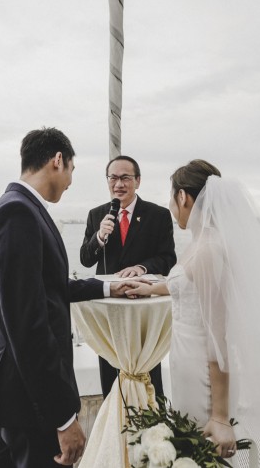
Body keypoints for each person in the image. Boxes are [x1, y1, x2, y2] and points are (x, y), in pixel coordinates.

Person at [0, 128, 139, 468]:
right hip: (27, 399)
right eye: (72, 171)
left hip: (13, 389)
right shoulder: (18, 214)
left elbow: (48, 288)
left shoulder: (16, 208)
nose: (71, 182)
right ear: (57, 160)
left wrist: (107, 287)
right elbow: (28, 325)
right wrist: (62, 418)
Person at [126, 160, 260, 459]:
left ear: (183, 197)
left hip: (202, 371)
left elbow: (219, 340)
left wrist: (221, 417)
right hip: (186, 361)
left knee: (200, 451)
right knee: (190, 449)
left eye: (171, 197)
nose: (171, 207)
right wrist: (152, 287)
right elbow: (188, 285)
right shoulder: (202, 242)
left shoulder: (209, 249)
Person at [79, 155, 176, 396]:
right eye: (113, 178)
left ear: (138, 181)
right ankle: (113, 417)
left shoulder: (158, 215)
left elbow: (168, 259)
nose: (119, 184)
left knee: (147, 366)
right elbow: (85, 259)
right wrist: (99, 237)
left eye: (125, 178)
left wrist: (143, 267)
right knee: (109, 364)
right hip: (109, 307)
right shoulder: (96, 214)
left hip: (143, 307)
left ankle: (154, 420)